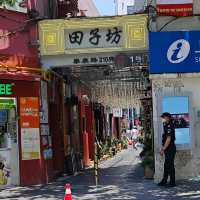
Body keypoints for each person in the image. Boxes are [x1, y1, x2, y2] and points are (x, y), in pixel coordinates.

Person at [158, 112, 176, 187]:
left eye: (163, 117)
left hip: (170, 148)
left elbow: (168, 139)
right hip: (168, 148)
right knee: (167, 165)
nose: (162, 119)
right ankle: (165, 180)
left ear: (167, 118)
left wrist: (163, 149)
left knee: (169, 165)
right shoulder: (166, 125)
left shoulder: (169, 126)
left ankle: (171, 182)